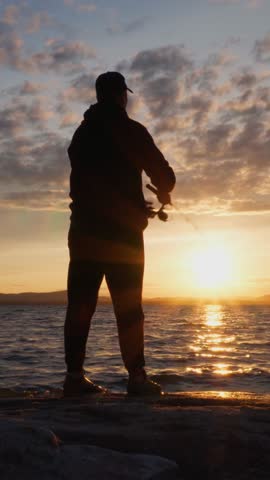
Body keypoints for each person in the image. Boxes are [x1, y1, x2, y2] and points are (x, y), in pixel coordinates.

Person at [64, 71, 176, 396]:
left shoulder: (81, 135)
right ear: (120, 96)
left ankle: (73, 378)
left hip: (83, 234)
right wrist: (161, 189)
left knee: (80, 305)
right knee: (128, 308)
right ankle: (136, 378)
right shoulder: (132, 132)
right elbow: (165, 176)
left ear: (99, 96)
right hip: (123, 238)